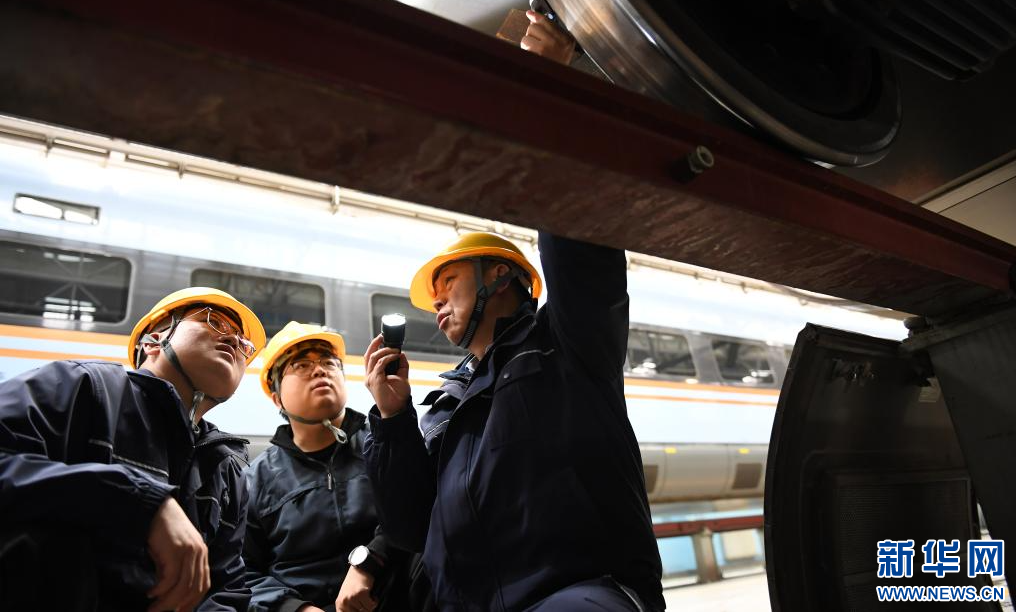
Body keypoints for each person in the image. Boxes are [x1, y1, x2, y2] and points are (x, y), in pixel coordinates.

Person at [362, 232, 666, 611]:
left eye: (449, 281)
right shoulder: (443, 410)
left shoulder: (564, 342)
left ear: (499, 275)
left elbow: (580, 250)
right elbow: (410, 529)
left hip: (579, 593)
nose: (437, 300)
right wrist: (392, 419)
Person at [0, 287, 266, 611]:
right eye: (214, 321)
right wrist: (138, 502)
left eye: (243, 342)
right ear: (152, 341)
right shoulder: (84, 387)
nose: (234, 339)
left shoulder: (225, 468)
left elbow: (226, 588)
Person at [243, 322, 425, 612]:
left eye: (329, 363)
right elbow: (244, 571)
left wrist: (370, 561)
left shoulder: (385, 441)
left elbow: (420, 507)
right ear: (277, 397)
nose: (320, 370)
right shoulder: (255, 479)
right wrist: (296, 608)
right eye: (301, 365)